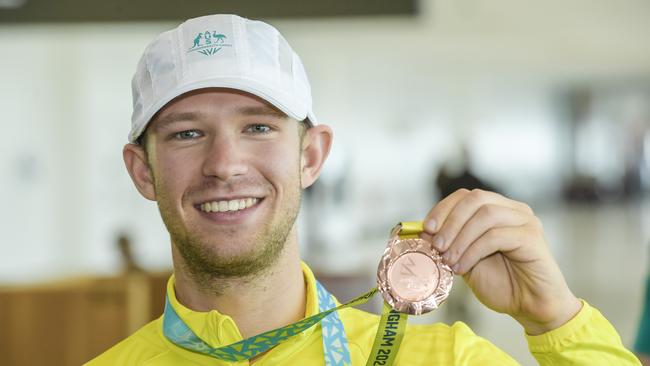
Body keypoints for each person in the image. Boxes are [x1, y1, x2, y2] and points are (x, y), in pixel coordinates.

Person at [86, 14, 640, 365]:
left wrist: (556, 321)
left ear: (311, 155)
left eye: (257, 127)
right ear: (142, 171)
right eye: (187, 133)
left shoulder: (443, 359)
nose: (225, 164)